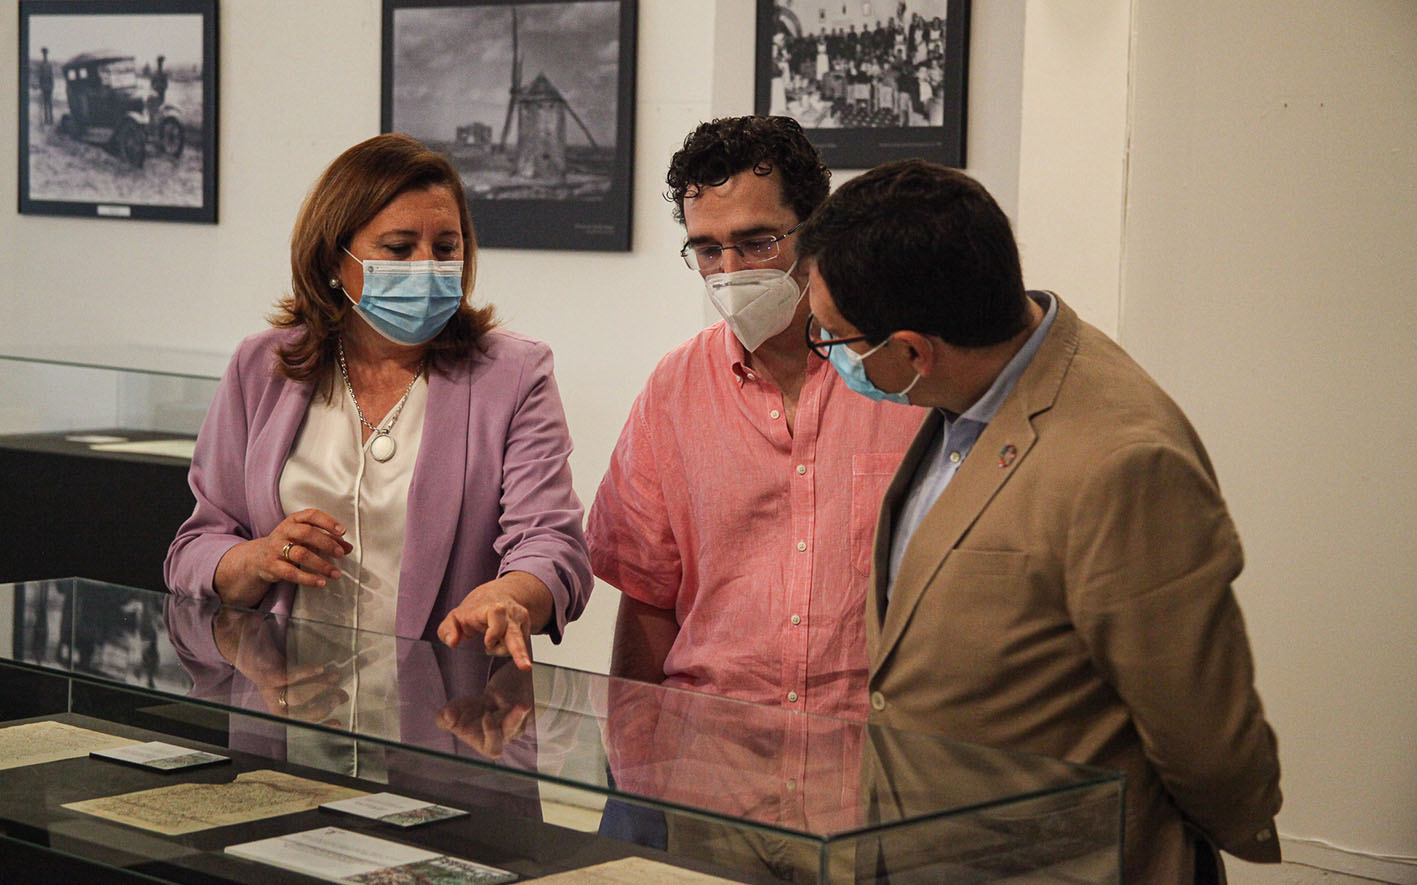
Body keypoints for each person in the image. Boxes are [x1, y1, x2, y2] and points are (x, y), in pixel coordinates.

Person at [796, 158, 1282, 883]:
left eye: (833, 338)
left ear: (909, 350)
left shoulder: (1121, 460)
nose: (829, 354)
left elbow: (1202, 734)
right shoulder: (968, 388)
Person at [165, 132, 591, 671]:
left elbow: (552, 542)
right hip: (285, 707)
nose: (427, 267)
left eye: (445, 248)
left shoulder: (512, 374)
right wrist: (256, 559)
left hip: (448, 715)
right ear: (333, 260)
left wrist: (512, 596)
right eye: (398, 248)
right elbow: (194, 548)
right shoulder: (262, 366)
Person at [586, 116, 920, 720]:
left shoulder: (903, 377)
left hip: (866, 768)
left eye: (759, 242)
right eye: (708, 250)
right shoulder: (675, 389)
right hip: (710, 762)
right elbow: (647, 598)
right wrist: (630, 765)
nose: (732, 270)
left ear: (816, 233)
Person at [37, 47, 53, 126]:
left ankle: (51, 119)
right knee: (45, 103)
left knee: (49, 103)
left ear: (47, 54)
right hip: (44, 87)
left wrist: (52, 86)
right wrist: (40, 86)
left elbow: (51, 76)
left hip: (49, 87)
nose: (45, 55)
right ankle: (46, 119)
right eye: (44, 54)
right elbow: (40, 77)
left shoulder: (49, 65)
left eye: (45, 54)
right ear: (42, 55)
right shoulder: (41, 65)